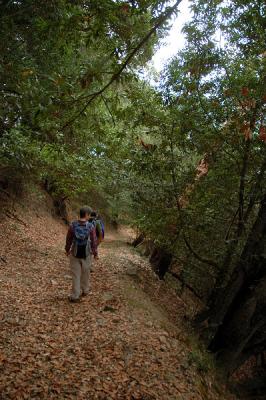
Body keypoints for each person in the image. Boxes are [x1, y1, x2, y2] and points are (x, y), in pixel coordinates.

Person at [65, 207, 98, 302]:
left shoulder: (73, 225)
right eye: (89, 214)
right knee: (86, 272)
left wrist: (67, 250)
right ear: (87, 214)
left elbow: (69, 239)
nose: (89, 216)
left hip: (75, 252)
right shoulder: (91, 226)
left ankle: (75, 296)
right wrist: (95, 253)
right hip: (86, 253)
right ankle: (85, 290)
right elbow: (94, 241)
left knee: (76, 275)